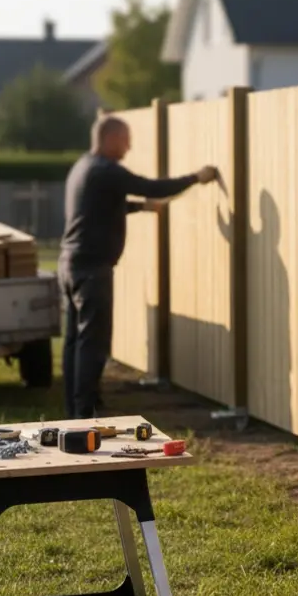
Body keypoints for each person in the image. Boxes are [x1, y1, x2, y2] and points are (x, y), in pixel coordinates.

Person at [57, 114, 219, 419]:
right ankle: (84, 413)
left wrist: (140, 207)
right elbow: (153, 187)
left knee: (75, 342)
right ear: (111, 138)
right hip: (92, 270)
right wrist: (197, 178)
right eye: (126, 140)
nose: (129, 147)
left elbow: (98, 206)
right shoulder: (107, 170)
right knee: (93, 343)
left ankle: (75, 408)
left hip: (70, 264)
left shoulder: (84, 167)